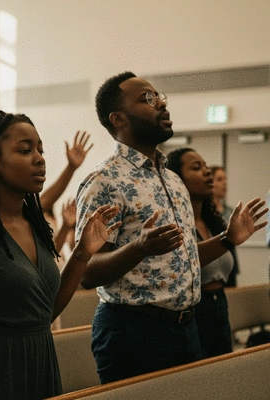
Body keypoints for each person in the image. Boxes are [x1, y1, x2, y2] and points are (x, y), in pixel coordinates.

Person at [75, 71, 268, 384]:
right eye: (148, 99)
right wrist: (138, 249)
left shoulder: (172, 180)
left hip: (186, 327)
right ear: (118, 119)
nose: (161, 104)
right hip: (133, 330)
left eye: (159, 96)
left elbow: (184, 257)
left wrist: (228, 239)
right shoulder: (105, 181)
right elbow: (87, 271)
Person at [0, 111, 121, 400]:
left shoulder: (36, 225)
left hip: (39, 362)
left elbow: (44, 312)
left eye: (40, 149)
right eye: (24, 150)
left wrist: (82, 252)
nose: (39, 158)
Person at [167, 148, 235, 358]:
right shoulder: (173, 224)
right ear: (177, 179)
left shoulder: (213, 223)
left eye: (206, 166)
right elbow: (183, 262)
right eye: (197, 168)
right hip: (193, 311)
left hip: (219, 305)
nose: (207, 172)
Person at [40, 130, 93, 264]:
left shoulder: (49, 218)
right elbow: (41, 204)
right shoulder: (26, 213)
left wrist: (65, 226)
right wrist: (71, 168)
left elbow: (53, 252)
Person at [210, 165, 240, 286]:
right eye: (219, 179)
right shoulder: (206, 212)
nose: (224, 183)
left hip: (230, 261)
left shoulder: (230, 212)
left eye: (225, 179)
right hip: (214, 265)